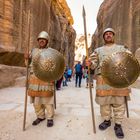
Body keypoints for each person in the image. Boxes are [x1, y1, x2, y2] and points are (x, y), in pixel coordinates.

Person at [87, 28, 131, 139]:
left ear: (113, 36)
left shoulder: (121, 48)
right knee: (104, 102)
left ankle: (118, 124)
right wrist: (89, 63)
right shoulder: (98, 50)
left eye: (110, 34)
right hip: (103, 79)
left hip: (118, 79)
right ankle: (107, 120)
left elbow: (129, 58)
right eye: (106, 34)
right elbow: (93, 64)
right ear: (104, 37)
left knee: (119, 102)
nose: (108, 35)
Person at [24, 31, 55, 127]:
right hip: (34, 78)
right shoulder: (33, 51)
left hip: (46, 78)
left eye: (44, 40)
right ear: (38, 41)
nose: (42, 41)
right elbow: (28, 65)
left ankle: (50, 117)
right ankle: (40, 116)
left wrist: (54, 76)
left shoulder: (51, 52)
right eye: (40, 39)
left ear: (47, 41)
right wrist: (26, 58)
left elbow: (55, 65)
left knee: (47, 99)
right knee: (36, 100)